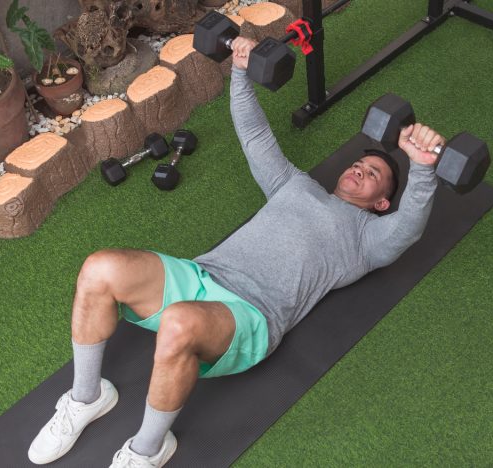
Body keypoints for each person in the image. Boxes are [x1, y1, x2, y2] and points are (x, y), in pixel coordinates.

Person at [27, 37, 443, 467]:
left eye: (374, 173)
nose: (359, 168)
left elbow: (409, 228)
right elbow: (255, 135)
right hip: (201, 275)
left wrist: (424, 167)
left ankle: (146, 450)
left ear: (381, 203)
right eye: (360, 163)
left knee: (178, 322)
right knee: (100, 267)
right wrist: (240, 71)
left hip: (251, 316)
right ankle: (86, 397)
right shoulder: (294, 184)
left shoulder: (367, 239)